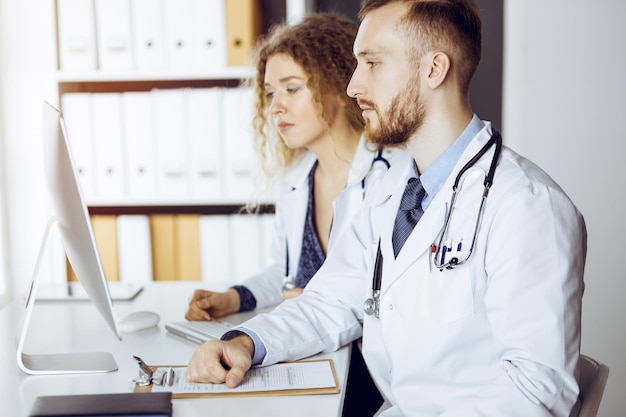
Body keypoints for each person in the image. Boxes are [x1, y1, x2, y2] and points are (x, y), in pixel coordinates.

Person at [187, 1, 587, 416]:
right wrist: (246, 343)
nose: (352, 86)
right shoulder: (391, 190)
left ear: (434, 70)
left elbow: (535, 392)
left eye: (372, 63)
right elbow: (332, 300)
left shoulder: (528, 206)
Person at [184, 12, 392, 416]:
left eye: (292, 89)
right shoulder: (298, 179)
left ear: (336, 84)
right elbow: (284, 273)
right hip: (309, 354)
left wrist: (314, 298)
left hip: (368, 370)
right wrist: (234, 297)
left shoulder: (390, 176)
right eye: (269, 93)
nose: (276, 107)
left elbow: (377, 294)